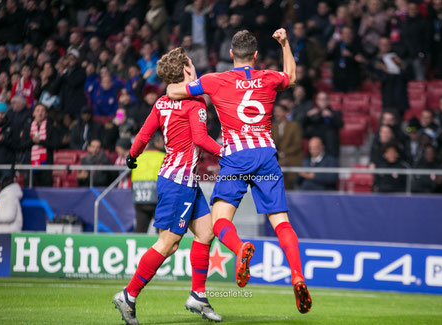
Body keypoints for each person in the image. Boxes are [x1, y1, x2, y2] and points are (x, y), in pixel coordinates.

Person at [167, 29, 312, 314]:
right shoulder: (269, 77)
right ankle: (297, 275)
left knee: (220, 222)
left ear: (231, 54)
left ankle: (240, 248)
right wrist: (284, 44)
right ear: (255, 56)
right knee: (281, 222)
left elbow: (173, 92)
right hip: (266, 156)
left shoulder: (214, 80)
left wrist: (192, 77)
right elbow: (291, 76)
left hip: (234, 157)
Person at [113, 47, 223, 324]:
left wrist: (131, 156)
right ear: (186, 70)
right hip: (179, 183)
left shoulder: (162, 102)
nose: (194, 67)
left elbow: (144, 134)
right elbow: (200, 139)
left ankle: (197, 295)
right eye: (191, 64)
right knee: (169, 243)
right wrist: (228, 153)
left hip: (178, 179)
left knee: (206, 232)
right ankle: (129, 294)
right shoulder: (195, 103)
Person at [131, 132, 165, 233]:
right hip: (157, 199)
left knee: (140, 231)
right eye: (162, 141)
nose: (164, 144)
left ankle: (135, 248)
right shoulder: (163, 157)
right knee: (161, 233)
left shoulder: (138, 157)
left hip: (139, 198)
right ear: (156, 142)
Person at [20, 104, 59, 187]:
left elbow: (56, 145)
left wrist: (41, 142)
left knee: (46, 189)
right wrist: (32, 141)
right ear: (33, 113)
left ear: (46, 114)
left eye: (42, 111)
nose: (40, 113)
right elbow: (22, 146)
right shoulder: (27, 128)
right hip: (30, 164)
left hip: (46, 165)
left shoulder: (51, 127)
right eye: (37, 111)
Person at [271, 103, 303, 189]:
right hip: (278, 158)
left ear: (286, 113)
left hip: (292, 157)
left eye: (279, 111)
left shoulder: (294, 126)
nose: (276, 114)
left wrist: (284, 153)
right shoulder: (273, 126)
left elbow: (297, 144)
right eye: (275, 112)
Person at [303, 91, 343, 158]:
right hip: (315, 149)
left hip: (330, 149)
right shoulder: (312, 114)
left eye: (324, 99)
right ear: (317, 101)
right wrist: (307, 115)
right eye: (320, 99)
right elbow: (301, 125)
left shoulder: (335, 113)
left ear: (328, 101)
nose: (322, 102)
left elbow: (341, 125)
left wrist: (331, 115)